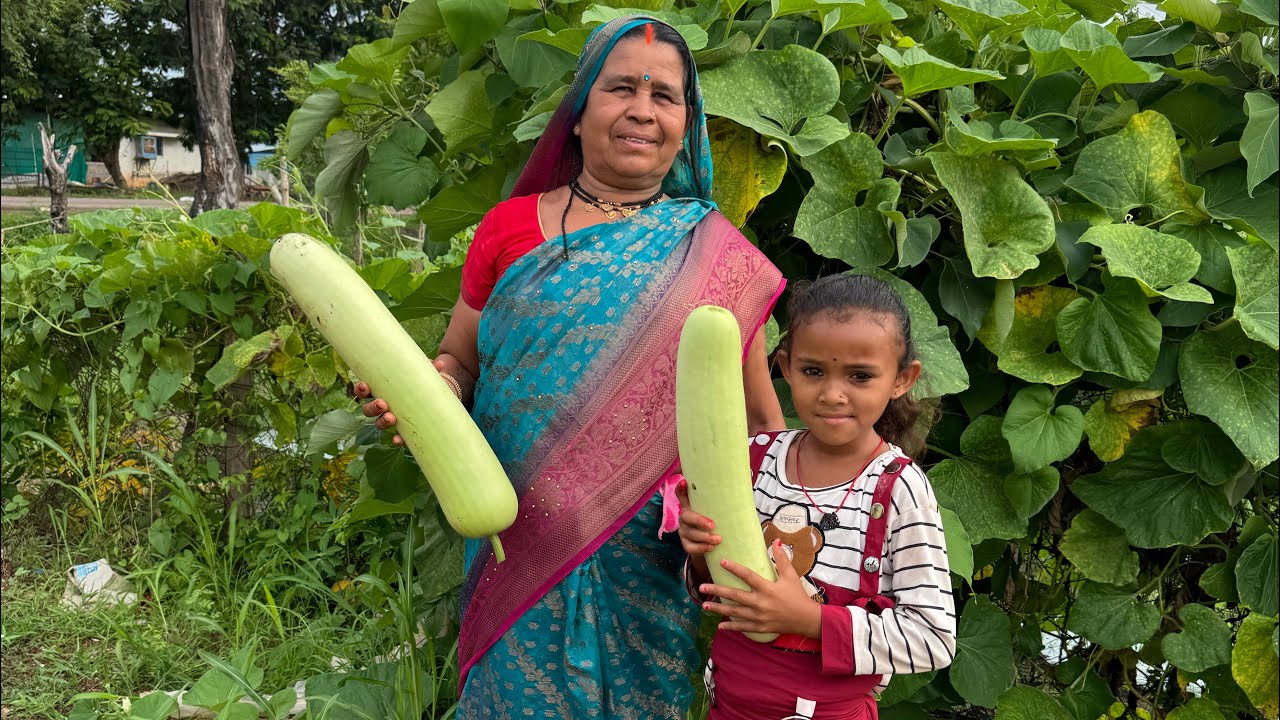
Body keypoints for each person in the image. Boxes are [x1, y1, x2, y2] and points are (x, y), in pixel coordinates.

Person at [356, 15, 786, 719]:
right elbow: (458, 361)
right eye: (620, 87)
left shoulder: (714, 256)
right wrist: (425, 395)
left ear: (688, 120)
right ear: (580, 110)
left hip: (652, 558)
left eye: (665, 96)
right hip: (516, 546)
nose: (642, 110)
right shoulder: (510, 229)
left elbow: (762, 427)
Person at [675, 274, 956, 720]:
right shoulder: (752, 461)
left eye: (860, 376)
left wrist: (810, 620)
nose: (832, 394)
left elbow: (932, 640)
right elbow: (719, 596)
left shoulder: (898, 489)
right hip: (729, 706)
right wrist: (699, 556)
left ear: (903, 379)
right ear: (785, 367)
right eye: (812, 371)